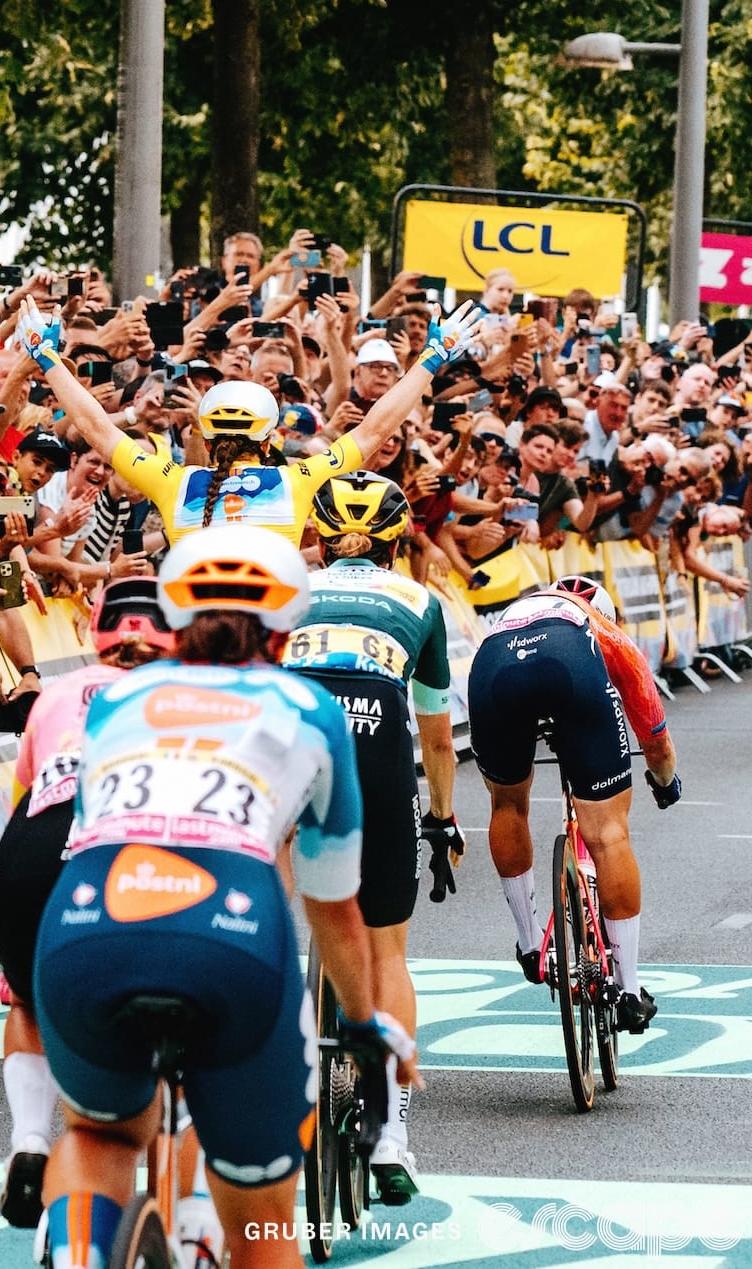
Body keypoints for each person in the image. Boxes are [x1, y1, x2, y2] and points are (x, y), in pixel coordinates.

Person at [34, 524, 416, 1269]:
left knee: (100, 1133)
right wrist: (365, 1022)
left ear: (175, 621)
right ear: (285, 630)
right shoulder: (309, 707)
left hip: (87, 919)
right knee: (265, 1217)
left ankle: (77, 1250)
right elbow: (334, 903)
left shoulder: (117, 699)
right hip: (231, 936)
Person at [286, 471, 459, 1203]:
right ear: (397, 540)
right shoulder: (420, 600)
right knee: (388, 950)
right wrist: (442, 819)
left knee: (287, 920)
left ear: (317, 537)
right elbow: (439, 736)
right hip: (379, 727)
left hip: (293, 723)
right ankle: (392, 1134)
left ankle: (277, 1088)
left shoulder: (287, 587)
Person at [0, 579, 173, 1228]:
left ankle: (29, 1139)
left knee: (29, 1000)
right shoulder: (185, 695)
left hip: (27, 852)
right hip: (119, 849)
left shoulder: (57, 691)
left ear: (98, 632)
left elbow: (20, 798)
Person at [40, 298, 488, 542]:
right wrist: (430, 359)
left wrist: (45, 359)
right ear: (270, 436)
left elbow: (97, 427)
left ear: (207, 436)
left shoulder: (174, 482)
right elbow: (374, 429)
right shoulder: (296, 479)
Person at [465, 573, 680, 1034]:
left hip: (493, 663)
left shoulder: (512, 614)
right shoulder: (606, 632)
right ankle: (628, 991)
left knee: (507, 806)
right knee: (609, 834)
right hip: (569, 664)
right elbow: (656, 742)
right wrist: (665, 783)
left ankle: (528, 945)